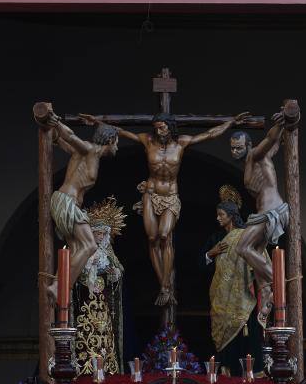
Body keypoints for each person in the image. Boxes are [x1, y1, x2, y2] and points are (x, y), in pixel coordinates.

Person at [81, 111, 250, 306]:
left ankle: (165, 286)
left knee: (164, 235)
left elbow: (210, 134)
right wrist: (98, 122)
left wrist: (230, 122)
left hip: (170, 196)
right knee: (152, 240)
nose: (159, 131)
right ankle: (164, 286)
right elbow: (120, 131)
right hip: (150, 195)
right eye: (156, 127)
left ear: (171, 126)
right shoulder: (148, 141)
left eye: (162, 127)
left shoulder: (181, 143)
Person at [42, 111, 120, 306]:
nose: (118, 147)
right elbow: (70, 137)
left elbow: (64, 142)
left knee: (76, 248)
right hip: (67, 202)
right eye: (116, 142)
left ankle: (57, 287)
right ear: (110, 140)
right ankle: (60, 287)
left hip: (70, 203)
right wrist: (56, 121)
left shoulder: (88, 156)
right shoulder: (89, 150)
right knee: (89, 245)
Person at [230, 106, 291, 325]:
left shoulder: (256, 155)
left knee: (242, 247)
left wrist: (280, 123)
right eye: (231, 148)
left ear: (247, 146)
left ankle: (278, 283)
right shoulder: (252, 162)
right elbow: (276, 143)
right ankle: (266, 293)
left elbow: (270, 139)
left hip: (271, 212)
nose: (234, 152)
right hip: (265, 212)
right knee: (255, 251)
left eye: (238, 148)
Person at [205, 189, 264, 375]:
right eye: (217, 214)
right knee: (223, 337)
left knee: (246, 336)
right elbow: (200, 264)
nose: (217, 218)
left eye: (221, 215)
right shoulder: (216, 238)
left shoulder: (246, 236)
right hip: (221, 297)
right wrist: (210, 254)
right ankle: (225, 372)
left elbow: (260, 260)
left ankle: (247, 375)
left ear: (231, 216)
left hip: (242, 297)